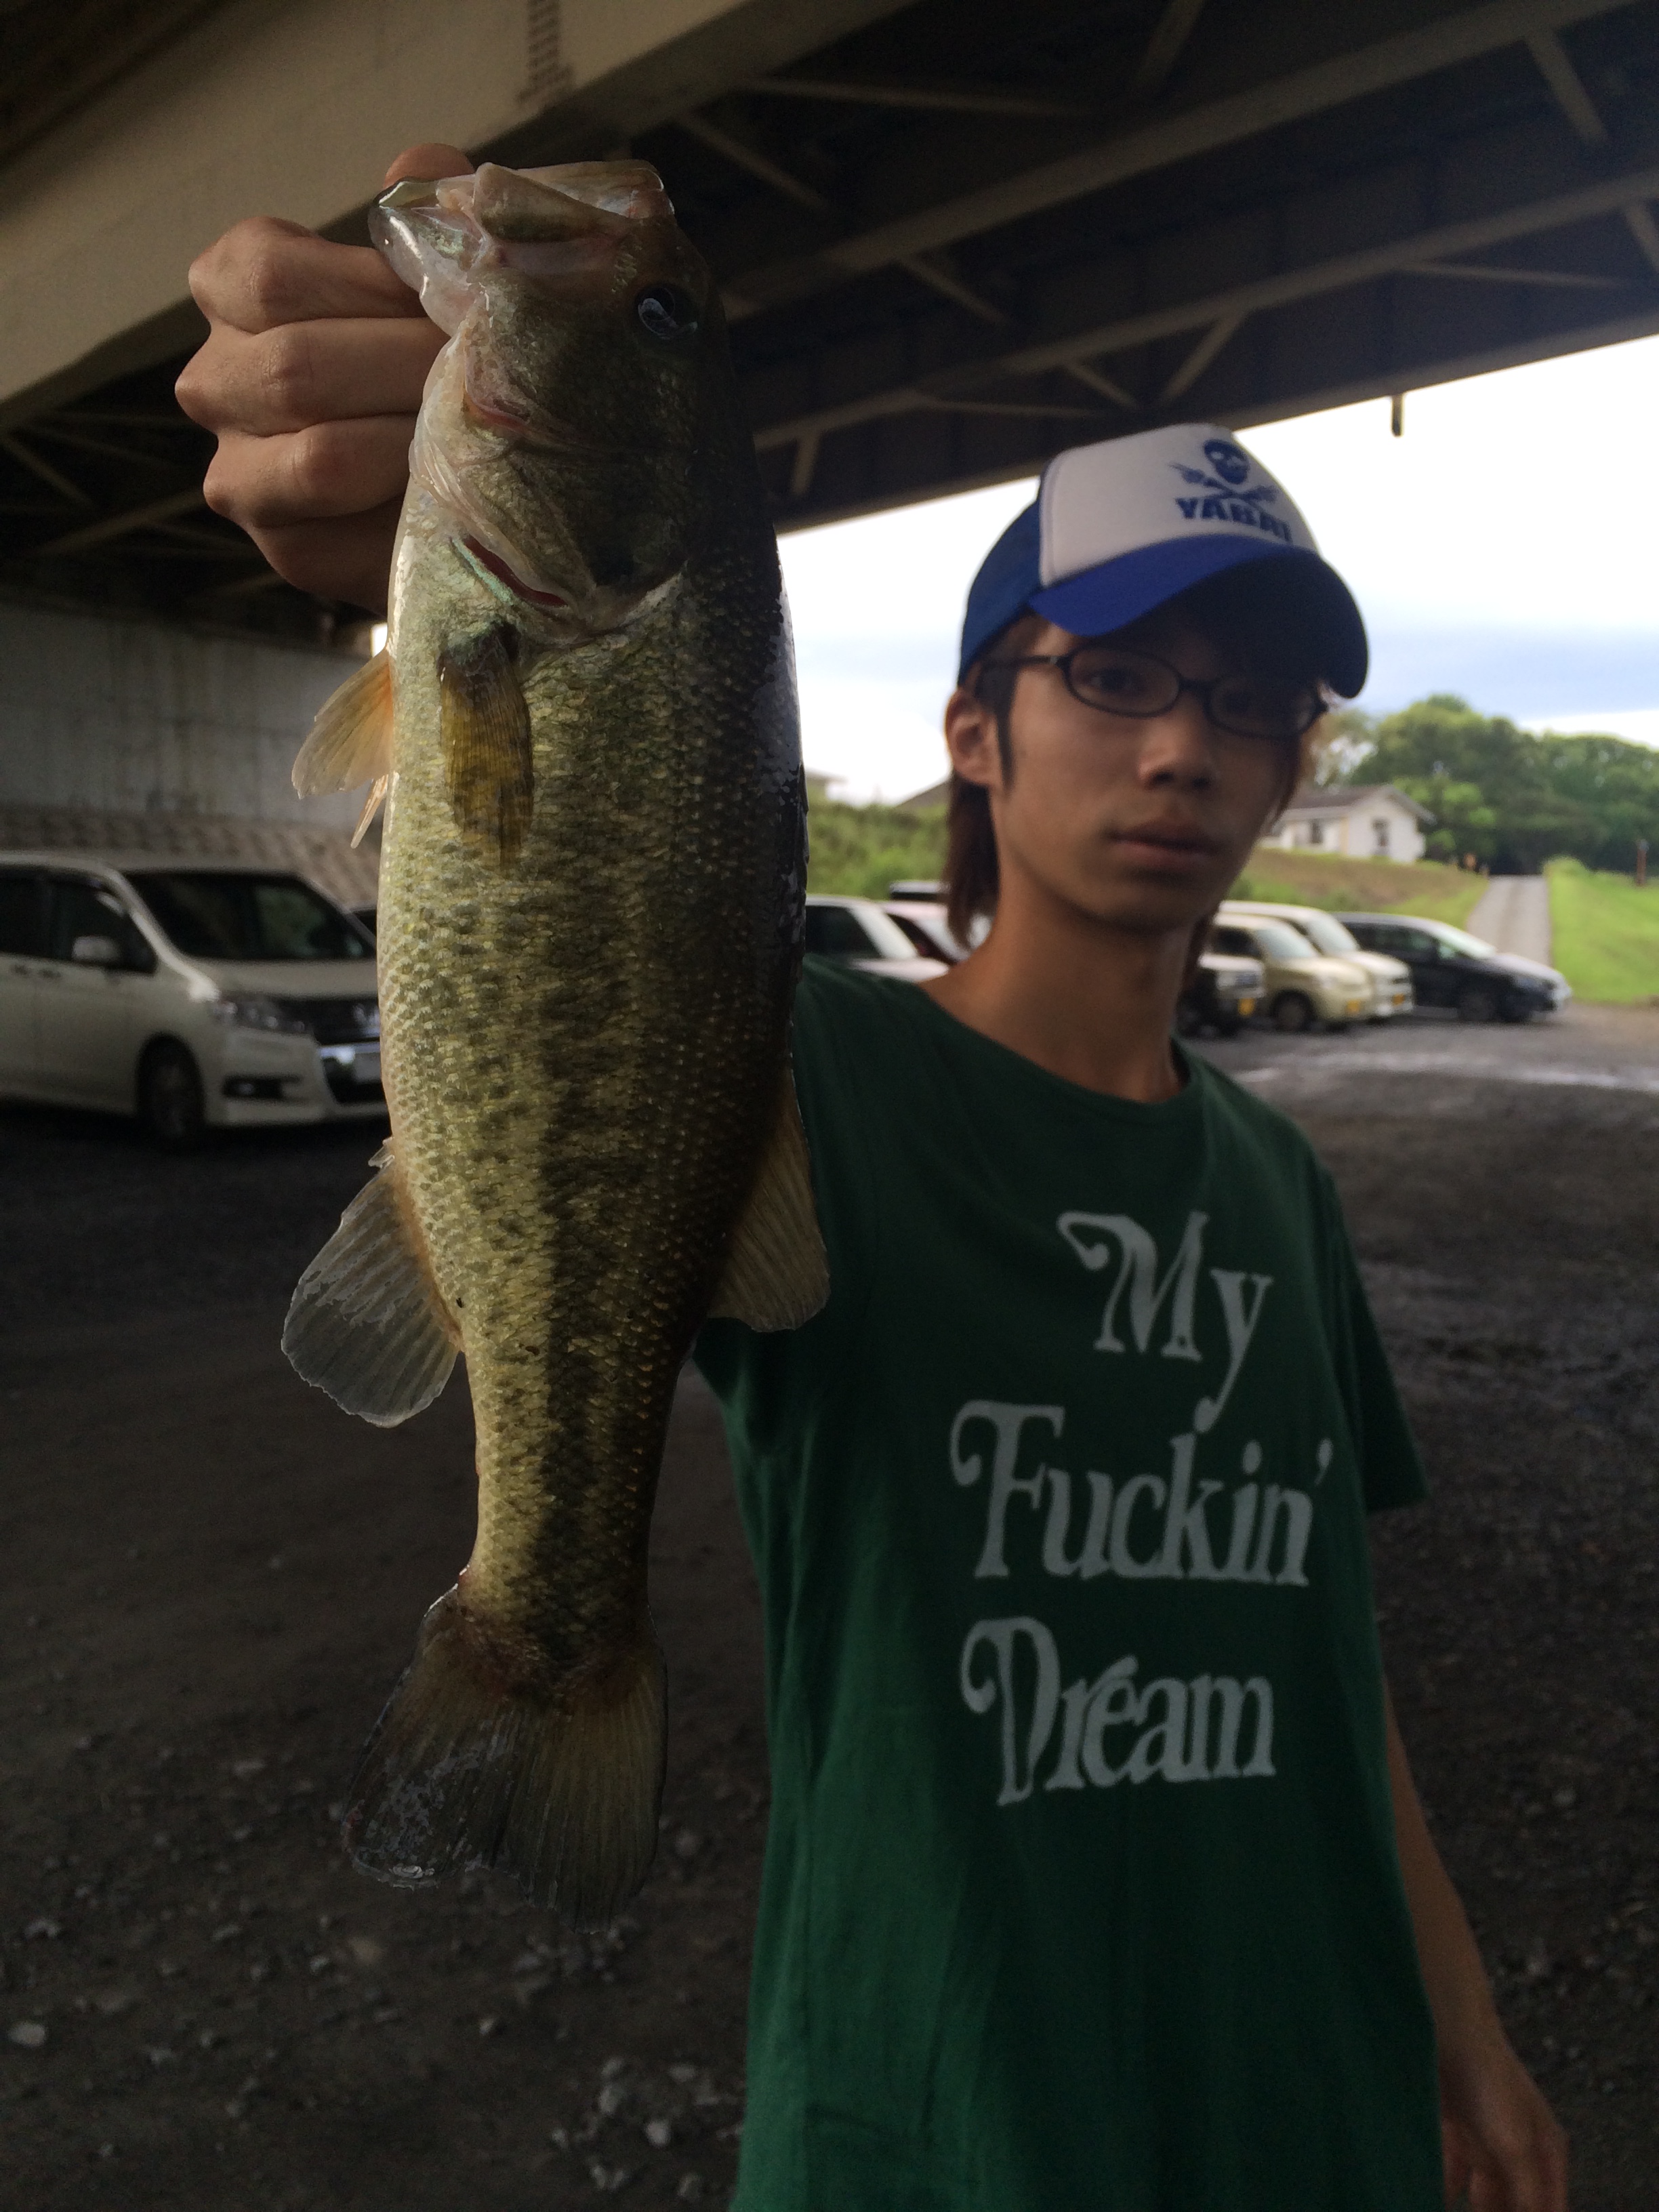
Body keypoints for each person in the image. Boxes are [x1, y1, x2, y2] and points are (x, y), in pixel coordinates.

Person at [178, 144, 1569, 2212]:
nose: (1183, 746)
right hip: (933, 2133)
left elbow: (1322, 1652)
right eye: (1116, 672)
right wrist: (393, 482)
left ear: (1295, 763)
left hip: (1322, 2104)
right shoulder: (809, 1069)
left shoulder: (1284, 1185)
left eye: (1252, 699)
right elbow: (583, 934)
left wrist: (1466, 2032)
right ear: (974, 732)